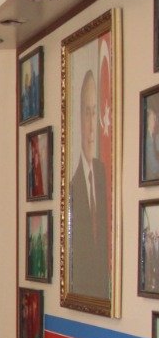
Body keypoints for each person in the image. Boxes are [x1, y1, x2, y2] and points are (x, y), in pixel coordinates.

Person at [67, 68, 110, 299]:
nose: (92, 125)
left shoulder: (104, 176)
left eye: (95, 113)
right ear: (79, 119)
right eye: (86, 113)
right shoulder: (72, 186)